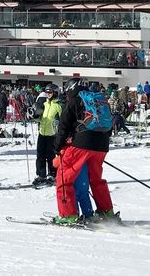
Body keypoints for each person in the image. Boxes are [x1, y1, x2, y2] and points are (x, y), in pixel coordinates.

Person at [53, 79, 116, 224]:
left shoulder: (75, 100)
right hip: (102, 145)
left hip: (82, 144)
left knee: (64, 178)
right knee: (96, 180)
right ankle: (106, 211)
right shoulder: (97, 99)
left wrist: (57, 147)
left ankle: (68, 215)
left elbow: (63, 127)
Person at [34, 84, 62, 185]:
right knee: (40, 155)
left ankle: (52, 174)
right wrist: (34, 116)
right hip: (42, 133)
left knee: (51, 156)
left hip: (52, 135)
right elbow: (40, 118)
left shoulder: (58, 106)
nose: (48, 94)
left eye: (50, 92)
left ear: (55, 92)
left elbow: (63, 120)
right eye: (47, 92)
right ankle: (41, 175)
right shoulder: (45, 104)